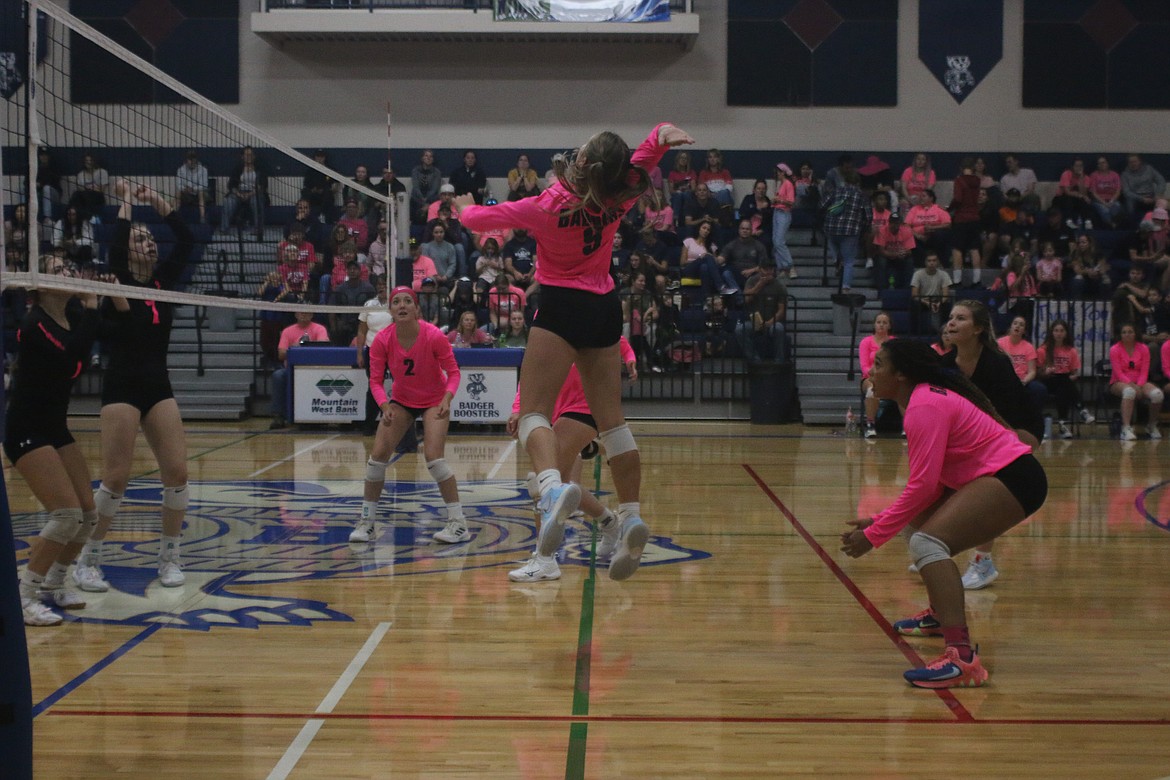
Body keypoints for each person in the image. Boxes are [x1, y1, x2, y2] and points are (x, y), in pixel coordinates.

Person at [457, 121, 694, 581]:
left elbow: (481, 220)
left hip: (562, 304)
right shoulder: (620, 193)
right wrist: (662, 138)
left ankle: (550, 488)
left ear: (583, 163)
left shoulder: (547, 205)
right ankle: (630, 516)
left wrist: (464, 208)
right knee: (614, 424)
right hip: (605, 307)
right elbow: (644, 156)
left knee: (533, 414)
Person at [840, 338, 1047, 689]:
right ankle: (939, 616)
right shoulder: (920, 401)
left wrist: (873, 536)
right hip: (1005, 474)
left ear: (901, 375)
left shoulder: (924, 406)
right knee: (918, 524)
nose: (871, 372)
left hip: (1015, 477)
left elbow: (922, 486)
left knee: (926, 544)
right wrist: (882, 522)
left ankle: (962, 658)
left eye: (879, 365)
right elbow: (929, 487)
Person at [73, 180, 198, 592]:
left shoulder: (163, 282)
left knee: (178, 472)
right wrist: (126, 203)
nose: (149, 244)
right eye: (140, 239)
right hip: (122, 385)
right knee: (117, 478)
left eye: (150, 239)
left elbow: (186, 238)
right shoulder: (120, 280)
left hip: (157, 385)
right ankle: (88, 559)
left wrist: (160, 203)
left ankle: (169, 559)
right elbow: (116, 243)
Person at [7, 256, 123, 624]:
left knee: (88, 514)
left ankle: (55, 582)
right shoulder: (34, 324)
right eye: (58, 271)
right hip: (26, 429)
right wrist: (91, 306)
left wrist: (114, 297)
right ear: (39, 285)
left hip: (55, 427)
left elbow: (114, 333)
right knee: (66, 514)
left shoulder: (69, 320)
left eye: (69, 269)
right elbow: (73, 350)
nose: (69, 274)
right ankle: (25, 595)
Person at [505, 338, 638, 582]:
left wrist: (630, 360)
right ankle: (610, 522)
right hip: (552, 412)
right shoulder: (547, 320)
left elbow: (620, 342)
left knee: (541, 484)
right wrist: (517, 407)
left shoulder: (590, 312)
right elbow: (533, 371)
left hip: (585, 408)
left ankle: (545, 558)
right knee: (564, 486)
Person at [938, 300, 1044, 591]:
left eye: (960, 318)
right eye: (950, 318)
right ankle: (939, 547)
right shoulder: (946, 366)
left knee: (986, 482)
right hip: (982, 434)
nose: (951, 323)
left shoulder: (996, 364)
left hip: (1018, 428)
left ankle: (983, 563)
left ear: (978, 329)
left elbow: (1004, 422)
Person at [350, 287, 466, 544]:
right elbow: (376, 381)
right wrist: (383, 405)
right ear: (390, 310)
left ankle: (458, 523)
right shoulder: (382, 340)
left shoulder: (433, 335)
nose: (401, 305)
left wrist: (448, 398)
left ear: (416, 309)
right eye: (396, 302)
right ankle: (367, 523)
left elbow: (454, 373)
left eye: (407, 301)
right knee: (377, 457)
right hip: (402, 400)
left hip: (435, 400)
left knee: (434, 458)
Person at [269, 309, 329, 430]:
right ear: (295, 314)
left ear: (312, 314)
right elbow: (281, 354)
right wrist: (297, 349)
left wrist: (302, 350)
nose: (304, 314)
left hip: (314, 370)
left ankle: (318, 416)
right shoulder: (287, 331)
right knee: (278, 375)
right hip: (291, 370)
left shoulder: (319, 329)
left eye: (307, 312)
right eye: (301, 312)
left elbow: (322, 349)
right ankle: (278, 416)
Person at [1036, 319, 1094, 438]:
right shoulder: (1043, 350)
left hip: (1064, 382)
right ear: (1051, 333)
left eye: (1062, 331)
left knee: (1063, 388)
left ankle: (1063, 426)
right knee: (1064, 382)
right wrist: (1045, 371)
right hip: (1047, 381)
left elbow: (1074, 372)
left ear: (1066, 333)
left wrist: (1073, 376)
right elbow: (1037, 371)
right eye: (1056, 330)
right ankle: (1081, 409)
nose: (1059, 333)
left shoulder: (1071, 351)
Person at [1109, 323, 1163, 441]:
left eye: (1130, 332)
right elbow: (1118, 372)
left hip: (1140, 381)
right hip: (1119, 381)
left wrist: (1139, 385)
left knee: (1157, 394)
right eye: (1124, 332)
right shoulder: (1114, 349)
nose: (1127, 335)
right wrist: (1132, 386)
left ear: (1135, 334)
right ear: (1120, 335)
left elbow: (1144, 370)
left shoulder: (1143, 348)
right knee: (1129, 392)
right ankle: (1126, 428)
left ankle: (1151, 425)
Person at [820, 171, 871, 293]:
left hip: (832, 228)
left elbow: (822, 205)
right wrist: (863, 227)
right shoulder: (861, 195)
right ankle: (846, 288)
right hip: (851, 230)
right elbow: (868, 216)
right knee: (849, 261)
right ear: (858, 182)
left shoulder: (836, 191)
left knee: (831, 244)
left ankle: (836, 259)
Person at [356, 280, 392, 434]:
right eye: (380, 286)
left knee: (401, 386)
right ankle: (369, 424)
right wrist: (359, 353)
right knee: (374, 386)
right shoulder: (369, 304)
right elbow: (361, 331)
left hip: (393, 350)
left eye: (384, 286)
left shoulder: (395, 303)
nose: (382, 288)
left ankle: (397, 422)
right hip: (372, 350)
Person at [997, 315, 1049, 421]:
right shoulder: (1000, 343)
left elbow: (1032, 371)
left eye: (1021, 325)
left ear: (1024, 331)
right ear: (1010, 327)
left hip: (1023, 380)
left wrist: (1024, 381)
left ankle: (1033, 420)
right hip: (1004, 379)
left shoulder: (1028, 347)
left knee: (1039, 389)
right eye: (1015, 323)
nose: (1018, 326)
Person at [734, 263, 787, 363]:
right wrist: (759, 285)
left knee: (779, 328)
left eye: (770, 269)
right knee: (739, 330)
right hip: (754, 321)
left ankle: (779, 360)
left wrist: (770, 322)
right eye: (765, 269)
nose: (768, 272)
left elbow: (781, 310)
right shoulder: (752, 281)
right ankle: (754, 359)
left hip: (772, 322)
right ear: (760, 270)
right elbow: (746, 300)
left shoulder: (779, 286)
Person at [859, 311, 895, 439]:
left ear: (889, 326)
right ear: (874, 325)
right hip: (870, 377)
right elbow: (864, 366)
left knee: (904, 388)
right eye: (878, 322)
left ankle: (907, 426)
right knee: (871, 390)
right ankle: (870, 424)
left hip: (889, 378)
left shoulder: (894, 342)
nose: (881, 325)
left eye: (885, 323)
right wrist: (876, 375)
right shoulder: (866, 342)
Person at [221, 146, 267, 238]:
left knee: (256, 201)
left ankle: (258, 229)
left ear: (254, 156)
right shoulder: (238, 168)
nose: (248, 157)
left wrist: (250, 194)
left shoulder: (260, 168)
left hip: (254, 193)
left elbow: (263, 186)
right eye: (246, 155)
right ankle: (224, 229)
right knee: (228, 202)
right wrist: (239, 194)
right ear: (242, 157)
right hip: (239, 192)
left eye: (250, 155)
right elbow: (231, 185)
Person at [328, 260, 376, 346]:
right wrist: (334, 328)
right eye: (350, 269)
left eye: (355, 269)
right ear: (347, 271)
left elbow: (374, 308)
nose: (352, 271)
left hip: (363, 324)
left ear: (360, 271)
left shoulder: (369, 288)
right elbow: (332, 308)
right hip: (345, 326)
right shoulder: (340, 289)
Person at [910, 249, 952, 335]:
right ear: (925, 262)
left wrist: (940, 302)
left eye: (934, 260)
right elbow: (914, 295)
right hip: (923, 300)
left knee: (947, 305)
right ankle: (915, 333)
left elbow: (945, 295)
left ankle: (945, 331)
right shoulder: (918, 274)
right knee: (914, 304)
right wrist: (927, 302)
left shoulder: (944, 275)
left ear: (937, 262)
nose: (931, 263)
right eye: (929, 261)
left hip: (938, 300)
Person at [872, 211, 916, 293]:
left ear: (900, 223)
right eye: (892, 223)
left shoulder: (907, 231)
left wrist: (904, 253)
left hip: (900, 256)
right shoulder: (882, 230)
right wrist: (896, 254)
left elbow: (910, 250)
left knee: (909, 261)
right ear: (889, 222)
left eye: (896, 223)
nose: (894, 225)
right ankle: (882, 291)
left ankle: (907, 290)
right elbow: (881, 251)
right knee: (881, 261)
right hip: (886, 256)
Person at [1121, 154, 1166, 221]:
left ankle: (1160, 226)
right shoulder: (1125, 175)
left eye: (1135, 161)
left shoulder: (1149, 169)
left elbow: (1161, 181)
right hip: (1136, 198)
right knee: (1129, 202)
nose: (1133, 164)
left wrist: (1158, 194)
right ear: (1128, 163)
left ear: (1140, 161)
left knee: (1162, 202)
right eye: (1131, 162)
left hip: (1151, 196)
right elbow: (1126, 192)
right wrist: (1142, 199)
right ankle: (1133, 226)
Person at [1068, 233, 1111, 299]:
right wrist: (1088, 272)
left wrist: (1097, 272)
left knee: (1106, 279)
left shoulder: (1098, 253)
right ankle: (1076, 304)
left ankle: (1104, 304)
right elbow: (1077, 270)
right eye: (1079, 243)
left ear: (1090, 243)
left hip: (1097, 277)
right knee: (1078, 279)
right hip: (1084, 278)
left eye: (1083, 242)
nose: (1081, 245)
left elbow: (1104, 267)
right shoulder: (1075, 253)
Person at [772, 163, 796, 277]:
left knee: (779, 241)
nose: (777, 174)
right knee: (775, 240)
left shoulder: (788, 184)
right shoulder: (780, 184)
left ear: (783, 172)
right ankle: (781, 266)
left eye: (779, 172)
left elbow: (791, 201)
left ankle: (789, 264)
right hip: (777, 212)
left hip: (784, 213)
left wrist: (779, 200)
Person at [71, 152, 110, 220]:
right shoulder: (80, 174)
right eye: (87, 161)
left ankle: (90, 218)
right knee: (76, 194)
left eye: (91, 160)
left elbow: (102, 190)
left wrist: (90, 189)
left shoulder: (102, 172)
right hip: (84, 197)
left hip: (98, 197)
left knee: (88, 195)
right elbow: (80, 189)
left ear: (94, 161)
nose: (89, 162)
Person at [301, 148, 337, 219]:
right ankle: (303, 214)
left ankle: (322, 215)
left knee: (328, 194)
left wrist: (331, 188)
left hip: (325, 195)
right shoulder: (310, 171)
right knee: (304, 192)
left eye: (321, 157)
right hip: (313, 194)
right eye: (318, 156)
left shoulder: (330, 170)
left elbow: (334, 184)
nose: (319, 159)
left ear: (324, 158)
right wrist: (313, 190)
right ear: (315, 157)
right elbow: (306, 184)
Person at [1088, 156, 1123, 229]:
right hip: (1098, 200)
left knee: (1117, 208)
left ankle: (1113, 225)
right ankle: (1112, 225)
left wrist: (1112, 201)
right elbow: (1093, 193)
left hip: (1112, 199)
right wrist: (1104, 203)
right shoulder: (1094, 175)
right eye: (1099, 163)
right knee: (1105, 210)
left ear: (1107, 164)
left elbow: (1118, 190)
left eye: (1103, 162)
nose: (1101, 165)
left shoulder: (1115, 175)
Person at [175, 149, 210, 222]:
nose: (191, 161)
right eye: (189, 159)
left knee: (201, 192)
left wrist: (193, 189)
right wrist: (185, 189)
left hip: (199, 193)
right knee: (177, 192)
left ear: (196, 159)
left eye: (193, 159)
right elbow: (178, 185)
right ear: (186, 160)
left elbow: (204, 185)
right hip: (186, 194)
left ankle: (202, 217)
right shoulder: (181, 170)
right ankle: (176, 216)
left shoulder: (203, 170)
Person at [410, 149, 442, 225]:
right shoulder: (415, 171)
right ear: (422, 158)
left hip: (431, 200)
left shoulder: (436, 172)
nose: (428, 158)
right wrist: (422, 200)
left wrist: (427, 201)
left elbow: (434, 189)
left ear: (433, 159)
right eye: (426, 156)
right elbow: (416, 186)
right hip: (417, 199)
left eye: (431, 156)